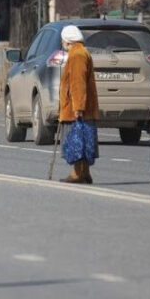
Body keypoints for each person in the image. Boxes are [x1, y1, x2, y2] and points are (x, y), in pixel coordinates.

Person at [58, 25, 99, 184]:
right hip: (82, 108)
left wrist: (78, 107)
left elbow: (77, 83)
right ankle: (85, 173)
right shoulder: (81, 52)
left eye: (62, 39)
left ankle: (77, 173)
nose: (62, 42)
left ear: (68, 40)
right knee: (84, 139)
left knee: (76, 140)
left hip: (76, 109)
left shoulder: (77, 55)